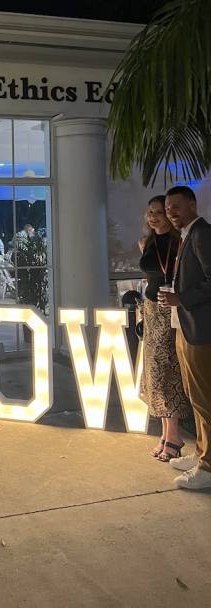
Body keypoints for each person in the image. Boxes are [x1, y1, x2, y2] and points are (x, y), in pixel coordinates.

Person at [159, 186, 211, 490]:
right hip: (186, 328)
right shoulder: (188, 236)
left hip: (200, 330)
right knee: (196, 398)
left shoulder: (202, 234)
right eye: (168, 209)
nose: (171, 213)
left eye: (176, 207)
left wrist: (182, 298)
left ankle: (208, 466)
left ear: (192, 204)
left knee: (204, 400)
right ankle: (202, 453)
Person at [137, 195, 189, 462]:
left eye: (159, 212)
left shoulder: (180, 243)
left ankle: (174, 435)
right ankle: (166, 432)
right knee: (154, 372)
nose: (153, 216)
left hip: (171, 310)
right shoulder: (145, 243)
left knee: (169, 369)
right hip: (150, 310)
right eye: (150, 212)